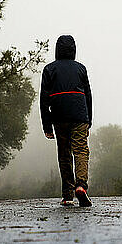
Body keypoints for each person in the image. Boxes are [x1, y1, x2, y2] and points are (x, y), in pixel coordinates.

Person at [40, 35, 93, 207]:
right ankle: (81, 186)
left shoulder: (49, 69)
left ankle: (67, 195)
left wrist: (46, 125)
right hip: (79, 115)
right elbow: (88, 96)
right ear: (74, 50)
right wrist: (89, 120)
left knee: (64, 154)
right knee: (80, 151)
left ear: (57, 49)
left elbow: (43, 99)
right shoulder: (81, 69)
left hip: (59, 116)